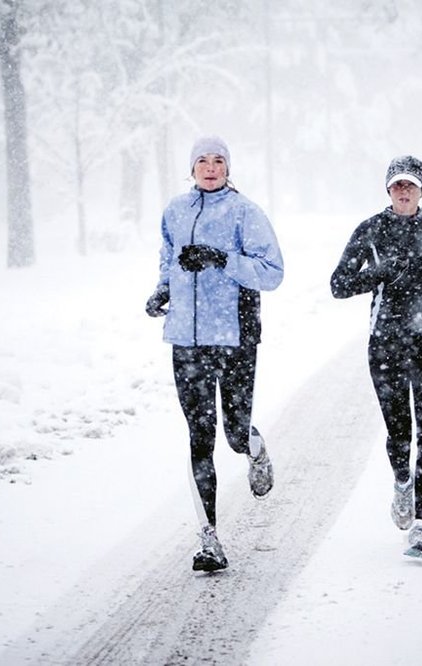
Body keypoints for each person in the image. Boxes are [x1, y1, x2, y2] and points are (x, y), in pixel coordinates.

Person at [145, 136, 284, 572]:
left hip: (235, 337)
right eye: (201, 161)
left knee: (234, 432)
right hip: (186, 341)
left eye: (218, 160)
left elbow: (273, 272)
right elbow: (169, 260)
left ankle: (254, 449)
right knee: (199, 438)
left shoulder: (245, 212)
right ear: (190, 169)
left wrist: (222, 259)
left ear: (228, 168)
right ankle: (209, 540)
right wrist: (162, 291)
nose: (209, 167)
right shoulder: (174, 211)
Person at [329, 155, 422, 559]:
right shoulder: (370, 229)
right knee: (400, 434)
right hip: (386, 344)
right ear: (388, 190)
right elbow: (338, 284)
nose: (404, 191)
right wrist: (377, 273)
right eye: (397, 185)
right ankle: (402, 482)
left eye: (411, 185)